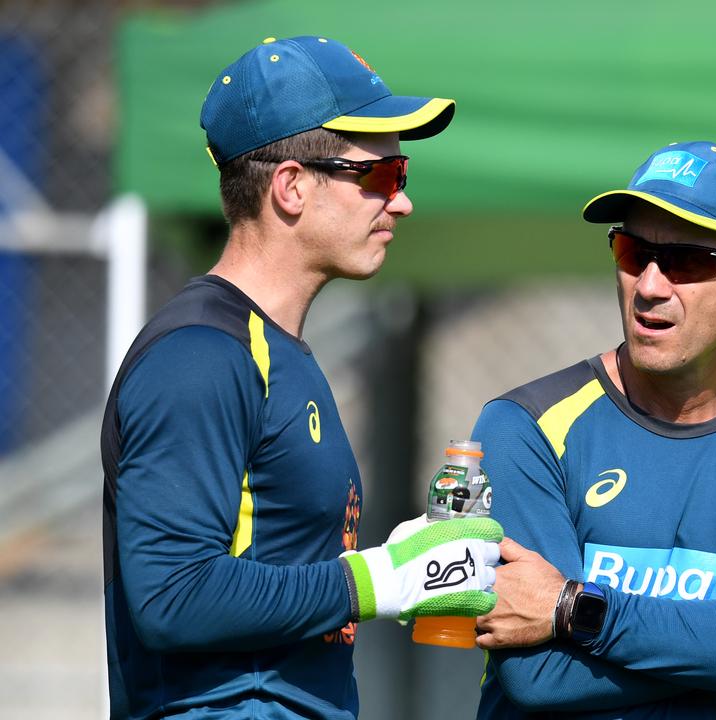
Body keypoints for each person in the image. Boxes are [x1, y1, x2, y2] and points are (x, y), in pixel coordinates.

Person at [100, 36, 502, 720]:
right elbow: (172, 595)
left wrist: (398, 562)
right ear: (290, 187)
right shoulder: (200, 355)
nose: (400, 202)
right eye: (381, 176)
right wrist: (379, 579)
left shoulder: (275, 349)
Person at [468, 141, 716, 718]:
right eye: (633, 251)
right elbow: (542, 673)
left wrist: (573, 609)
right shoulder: (525, 428)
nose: (650, 285)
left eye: (687, 260)